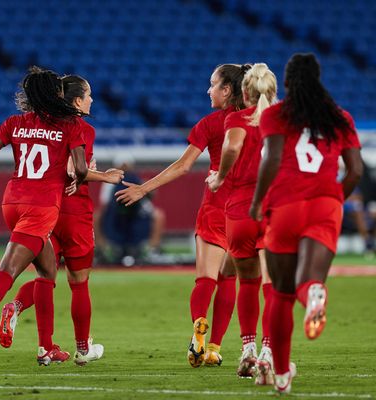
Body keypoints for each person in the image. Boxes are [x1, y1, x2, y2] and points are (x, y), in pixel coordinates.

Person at [116, 64, 252, 367]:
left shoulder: (210, 124)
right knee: (229, 280)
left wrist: (143, 189)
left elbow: (183, 165)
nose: (208, 90)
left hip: (216, 206)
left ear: (227, 90)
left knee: (206, 279)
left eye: (213, 84)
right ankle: (215, 347)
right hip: (245, 209)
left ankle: (198, 330)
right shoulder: (256, 121)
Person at [0, 66, 89, 366]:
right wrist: (76, 181)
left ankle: (47, 347)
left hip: (12, 201)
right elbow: (80, 168)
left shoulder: (15, 122)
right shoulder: (69, 126)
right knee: (8, 270)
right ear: (57, 94)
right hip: (40, 208)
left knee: (48, 271)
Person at [249, 53, 362, 394]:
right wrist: (334, 200)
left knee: (280, 295)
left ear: (286, 82)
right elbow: (356, 170)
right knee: (308, 281)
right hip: (326, 205)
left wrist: (257, 203)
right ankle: (314, 294)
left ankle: (282, 375)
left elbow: (271, 159)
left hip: (285, 206)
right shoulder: (340, 118)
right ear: (318, 79)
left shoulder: (275, 114)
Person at [0, 75, 123, 365]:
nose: (92, 100)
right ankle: (82, 349)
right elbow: (72, 169)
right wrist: (103, 175)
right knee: (79, 282)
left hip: (43, 210)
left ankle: (38, 338)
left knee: (45, 276)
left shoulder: (39, 123)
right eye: (88, 95)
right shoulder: (79, 127)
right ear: (77, 101)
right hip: (74, 213)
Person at [206, 63, 278, 383]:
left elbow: (233, 146)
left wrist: (220, 177)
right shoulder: (284, 120)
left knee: (246, 282)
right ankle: (268, 351)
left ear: (244, 92)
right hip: (275, 210)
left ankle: (248, 348)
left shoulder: (236, 118)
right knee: (273, 284)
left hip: (240, 211)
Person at [95, 153, 165, 265]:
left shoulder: (137, 180)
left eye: (126, 165)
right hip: (116, 215)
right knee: (96, 216)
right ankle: (101, 249)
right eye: (122, 165)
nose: (124, 168)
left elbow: (149, 197)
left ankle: (153, 250)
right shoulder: (108, 183)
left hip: (136, 214)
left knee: (158, 215)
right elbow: (106, 204)